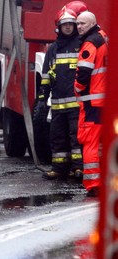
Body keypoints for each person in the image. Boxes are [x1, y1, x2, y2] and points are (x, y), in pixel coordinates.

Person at [34, 7, 83, 181]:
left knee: (76, 136)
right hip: (57, 103)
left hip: (76, 104)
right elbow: (46, 75)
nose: (68, 27)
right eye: (65, 25)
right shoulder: (53, 49)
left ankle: (78, 168)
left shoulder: (81, 45)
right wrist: (42, 98)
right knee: (57, 137)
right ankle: (59, 169)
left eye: (71, 24)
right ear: (59, 27)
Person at [74, 11, 107, 198]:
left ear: (92, 23)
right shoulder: (103, 38)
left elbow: (83, 72)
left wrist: (77, 89)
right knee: (102, 143)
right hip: (105, 101)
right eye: (77, 24)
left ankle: (93, 184)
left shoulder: (90, 43)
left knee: (90, 143)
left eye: (83, 24)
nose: (79, 27)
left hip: (91, 102)